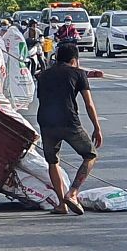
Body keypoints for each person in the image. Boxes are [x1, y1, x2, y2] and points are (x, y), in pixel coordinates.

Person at [36, 43, 103, 216]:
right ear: (74, 60)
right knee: (90, 155)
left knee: (53, 162)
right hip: (68, 121)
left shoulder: (42, 75)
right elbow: (89, 104)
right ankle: (72, 193)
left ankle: (61, 204)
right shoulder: (78, 73)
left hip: (46, 122)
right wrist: (97, 127)